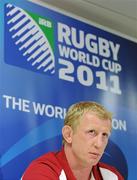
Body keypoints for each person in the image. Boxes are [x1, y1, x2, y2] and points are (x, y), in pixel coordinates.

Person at [22, 101, 124, 180]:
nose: (99, 144)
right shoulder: (42, 172)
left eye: (105, 135)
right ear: (68, 134)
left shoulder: (112, 176)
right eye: (91, 132)